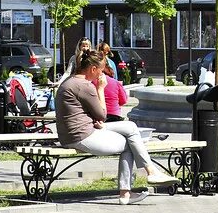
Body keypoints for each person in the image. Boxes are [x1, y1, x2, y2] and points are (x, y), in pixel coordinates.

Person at [55, 50, 176, 204]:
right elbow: (102, 115)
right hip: (82, 136)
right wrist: (100, 89)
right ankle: (130, 189)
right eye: (101, 70)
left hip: (73, 134)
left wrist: (97, 122)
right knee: (130, 145)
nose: (102, 74)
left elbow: (78, 112)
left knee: (131, 127)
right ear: (93, 69)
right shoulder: (85, 86)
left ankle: (148, 175)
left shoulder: (69, 82)